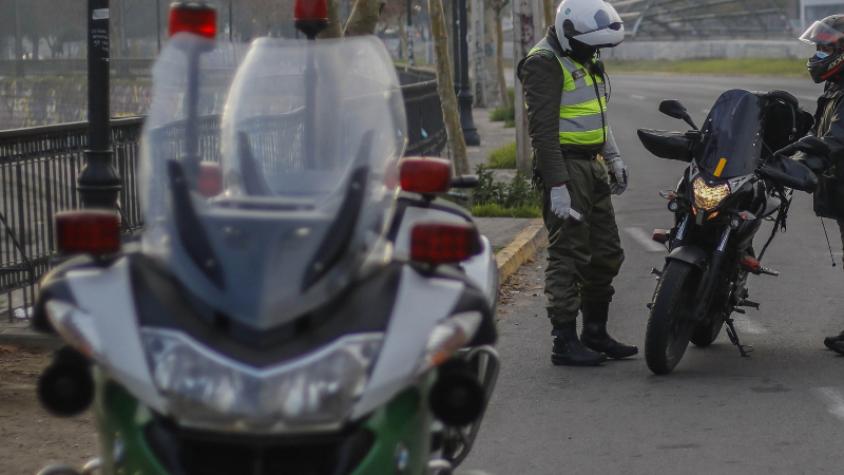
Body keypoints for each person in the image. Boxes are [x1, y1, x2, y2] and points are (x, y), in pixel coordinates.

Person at [516, 0, 637, 366]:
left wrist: (613, 157)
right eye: (590, 45)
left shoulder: (584, 56)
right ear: (568, 33)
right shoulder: (543, 64)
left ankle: (595, 333)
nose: (595, 51)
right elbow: (543, 132)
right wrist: (556, 184)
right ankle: (564, 341)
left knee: (605, 253)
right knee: (568, 254)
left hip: (592, 165)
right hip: (566, 168)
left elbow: (597, 114)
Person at [798, 15, 844, 355]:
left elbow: (835, 140)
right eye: (817, 47)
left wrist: (812, 162)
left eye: (824, 48)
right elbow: (818, 133)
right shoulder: (835, 87)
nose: (817, 55)